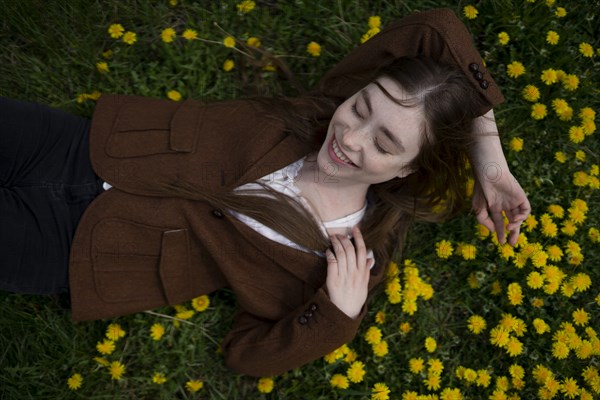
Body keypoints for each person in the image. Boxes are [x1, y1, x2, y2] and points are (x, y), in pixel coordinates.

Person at [0, 8, 530, 376]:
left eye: (384, 142)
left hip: (81, 250)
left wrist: (335, 318)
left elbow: (246, 355)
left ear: (405, 171)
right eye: (362, 107)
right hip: (83, 146)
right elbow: (438, 29)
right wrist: (489, 159)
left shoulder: (337, 259)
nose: (348, 136)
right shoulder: (319, 111)